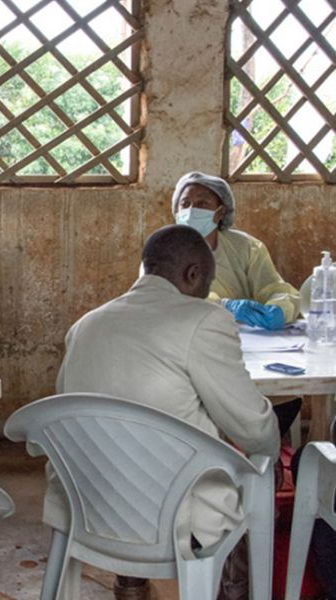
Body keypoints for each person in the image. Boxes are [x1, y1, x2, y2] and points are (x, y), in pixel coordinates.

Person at [51, 225, 280, 600]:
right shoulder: (203, 321)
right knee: (260, 474)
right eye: (207, 282)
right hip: (172, 517)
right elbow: (253, 428)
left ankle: (130, 585)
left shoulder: (86, 325)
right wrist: (270, 449)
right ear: (193, 274)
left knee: (135, 453)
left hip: (88, 506)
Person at [172, 171, 300, 330]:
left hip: (245, 339)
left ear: (221, 212)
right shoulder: (163, 251)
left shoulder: (246, 247)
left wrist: (280, 308)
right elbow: (168, 299)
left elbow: (274, 288)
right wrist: (224, 306)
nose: (191, 211)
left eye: (202, 203)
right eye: (185, 203)